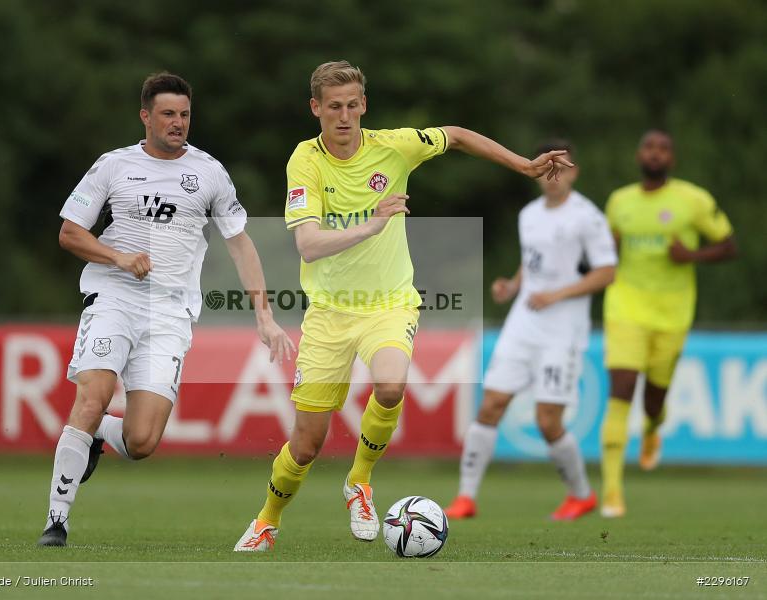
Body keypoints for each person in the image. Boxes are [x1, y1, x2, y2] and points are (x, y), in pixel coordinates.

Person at [233, 61, 574, 552]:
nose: (344, 116)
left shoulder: (394, 146)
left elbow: (456, 136)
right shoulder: (305, 160)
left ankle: (359, 482)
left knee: (391, 386)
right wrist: (372, 224)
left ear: (364, 105)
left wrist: (523, 165)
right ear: (316, 109)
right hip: (329, 313)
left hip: (389, 304)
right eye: (334, 107)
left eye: (352, 105)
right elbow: (308, 245)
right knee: (306, 445)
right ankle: (268, 519)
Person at [38, 71, 295, 546]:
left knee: (142, 441)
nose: (178, 123)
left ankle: (96, 436)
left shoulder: (209, 173)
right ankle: (57, 520)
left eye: (185, 115)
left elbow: (240, 244)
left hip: (171, 313)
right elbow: (70, 233)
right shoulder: (113, 165)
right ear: (146, 116)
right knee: (93, 397)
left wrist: (264, 314)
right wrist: (118, 257)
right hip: (114, 297)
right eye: (168, 114)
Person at [444, 140, 616, 522]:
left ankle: (581, 495)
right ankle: (465, 498)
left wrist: (557, 294)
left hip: (562, 332)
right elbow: (532, 262)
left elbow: (607, 272)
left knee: (547, 420)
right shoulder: (529, 215)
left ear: (574, 172)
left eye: (562, 169)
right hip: (522, 325)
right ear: (538, 172)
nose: (554, 177)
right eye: (548, 169)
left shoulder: (587, 217)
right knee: (490, 405)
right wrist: (513, 286)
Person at [600, 129, 737, 518]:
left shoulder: (693, 200)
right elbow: (607, 249)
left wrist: (691, 256)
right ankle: (612, 494)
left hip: (672, 315)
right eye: (649, 147)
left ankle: (651, 429)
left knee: (653, 401)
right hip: (625, 308)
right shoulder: (619, 201)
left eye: (663, 149)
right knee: (621, 389)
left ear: (672, 159)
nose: (655, 154)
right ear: (638, 155)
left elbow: (729, 246)